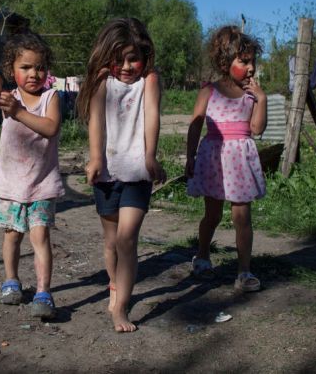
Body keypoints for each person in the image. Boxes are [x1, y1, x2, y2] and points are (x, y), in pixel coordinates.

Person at [77, 17, 166, 332]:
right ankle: (115, 285)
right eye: (119, 59)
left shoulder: (149, 82)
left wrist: (151, 156)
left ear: (144, 57)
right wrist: (95, 158)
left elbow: (152, 116)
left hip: (137, 172)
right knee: (112, 241)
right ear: (108, 59)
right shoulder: (103, 81)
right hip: (107, 172)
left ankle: (121, 309)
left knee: (128, 239)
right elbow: (96, 121)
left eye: (133, 58)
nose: (127, 66)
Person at [0, 31, 65, 319]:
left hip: (41, 184)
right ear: (12, 70)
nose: (34, 73)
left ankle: (43, 292)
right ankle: (11, 281)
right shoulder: (8, 98)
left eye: (40, 67)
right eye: (25, 67)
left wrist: (18, 112)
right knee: (12, 236)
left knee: (40, 237)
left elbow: (51, 128)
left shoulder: (50, 97)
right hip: (10, 184)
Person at [185, 26, 267, 292]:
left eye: (253, 61)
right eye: (244, 61)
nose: (251, 67)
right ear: (225, 62)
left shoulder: (252, 94)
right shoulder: (209, 91)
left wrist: (262, 100)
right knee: (212, 215)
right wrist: (190, 158)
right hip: (214, 161)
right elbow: (195, 126)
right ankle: (203, 256)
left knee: (242, 217)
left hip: (240, 162)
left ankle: (244, 272)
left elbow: (256, 129)